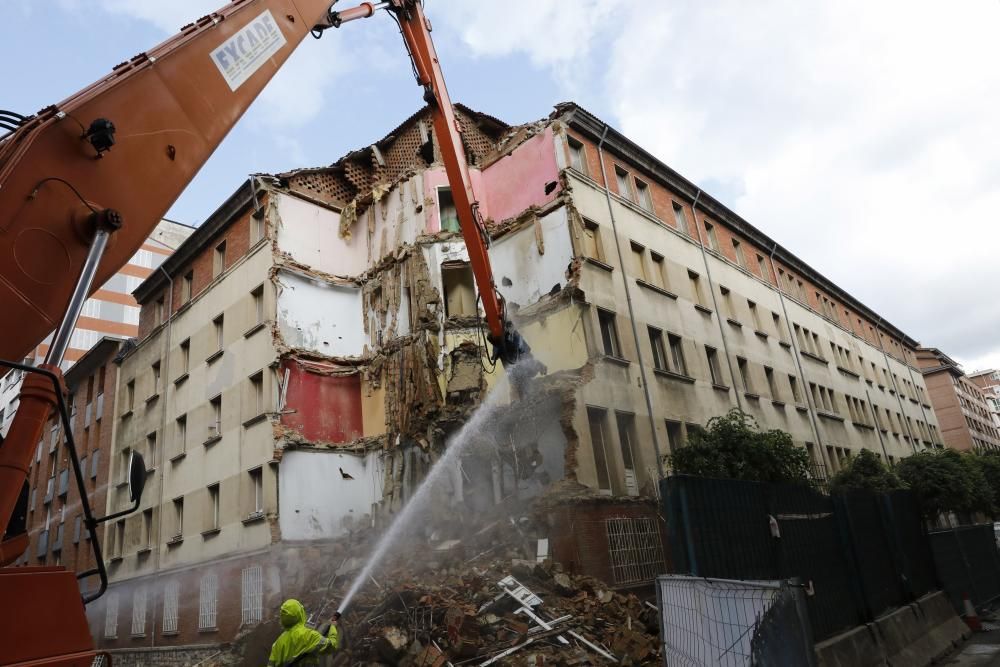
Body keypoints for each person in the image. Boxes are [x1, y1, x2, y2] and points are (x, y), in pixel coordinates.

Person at [267, 599, 340, 666]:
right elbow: (331, 646)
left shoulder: (278, 644)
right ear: (300, 613)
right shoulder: (309, 635)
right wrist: (332, 627)